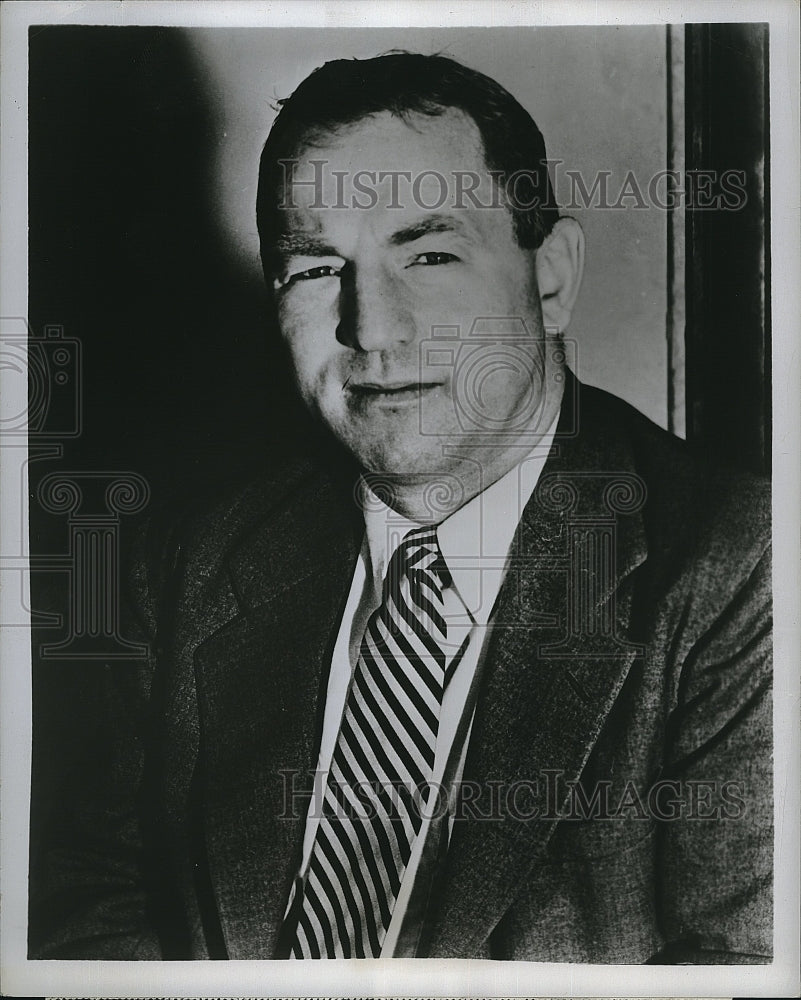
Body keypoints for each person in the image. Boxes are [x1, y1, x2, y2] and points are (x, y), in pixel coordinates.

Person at [28, 52, 772, 963]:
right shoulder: (188, 556)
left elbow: (740, 970)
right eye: (314, 270)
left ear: (549, 280)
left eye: (429, 253)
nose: (372, 329)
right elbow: (88, 894)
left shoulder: (743, 570)